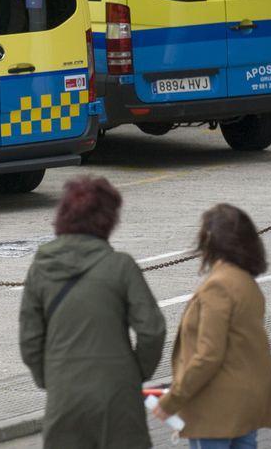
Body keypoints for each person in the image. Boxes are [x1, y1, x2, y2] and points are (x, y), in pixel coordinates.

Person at [19, 176, 166, 448]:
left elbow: (29, 339)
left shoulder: (41, 267)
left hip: (65, 392)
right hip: (118, 393)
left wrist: (49, 377)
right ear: (108, 219)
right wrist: (136, 372)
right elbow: (152, 329)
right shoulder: (120, 266)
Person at [152, 204, 271, 448]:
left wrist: (172, 401)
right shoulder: (247, 284)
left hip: (214, 408)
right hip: (247, 404)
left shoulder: (217, 287)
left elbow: (208, 354)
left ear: (209, 241)